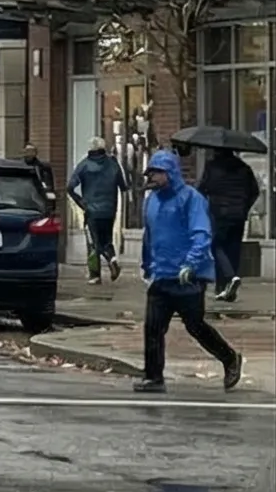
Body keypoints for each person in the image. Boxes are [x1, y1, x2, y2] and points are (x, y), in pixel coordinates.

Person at [134, 150, 240, 394]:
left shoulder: (191, 198)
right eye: (151, 172)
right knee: (153, 327)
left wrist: (191, 263)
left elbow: (201, 233)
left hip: (187, 276)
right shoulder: (152, 201)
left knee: (196, 326)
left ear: (170, 173)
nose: (153, 177)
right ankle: (153, 377)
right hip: (161, 275)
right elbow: (149, 236)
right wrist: (147, 264)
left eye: (157, 173)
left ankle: (230, 358)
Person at [195, 145, 260, 301]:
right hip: (238, 215)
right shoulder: (244, 168)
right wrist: (245, 207)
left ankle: (227, 280)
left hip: (219, 214)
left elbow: (203, 188)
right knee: (233, 248)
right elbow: (254, 191)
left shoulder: (212, 167)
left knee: (216, 246)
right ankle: (230, 288)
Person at [68, 139, 123, 283]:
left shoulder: (84, 165)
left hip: (91, 210)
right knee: (107, 239)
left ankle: (95, 275)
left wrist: (80, 201)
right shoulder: (113, 164)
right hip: (109, 210)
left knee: (92, 242)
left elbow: (70, 186)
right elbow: (123, 185)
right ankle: (112, 259)